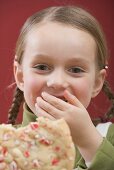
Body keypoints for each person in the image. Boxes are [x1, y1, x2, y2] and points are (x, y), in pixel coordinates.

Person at [1, 5, 114, 170]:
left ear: (97, 82)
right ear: (21, 76)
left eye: (75, 70)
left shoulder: (108, 136)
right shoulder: (4, 144)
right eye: (42, 67)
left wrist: (89, 142)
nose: (56, 81)